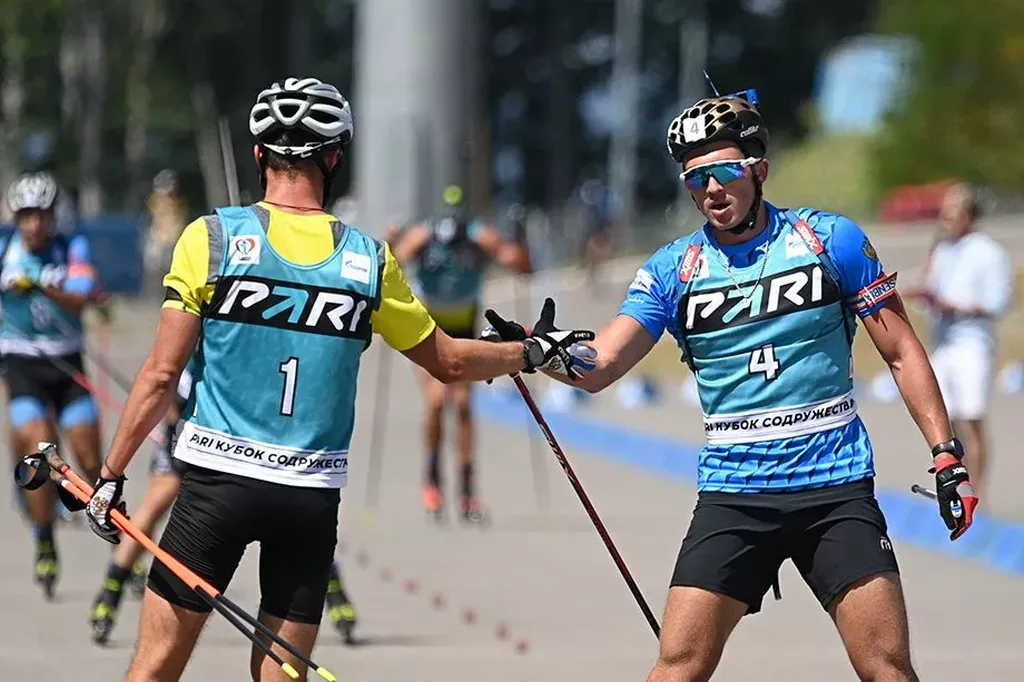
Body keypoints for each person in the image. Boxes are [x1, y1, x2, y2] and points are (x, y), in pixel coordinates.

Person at [78, 76, 592, 681]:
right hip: (309, 497)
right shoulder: (367, 261)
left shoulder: (212, 238)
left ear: (259, 154)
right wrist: (528, 352)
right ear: (334, 158)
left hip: (217, 487)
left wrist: (109, 475)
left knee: (154, 668)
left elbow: (161, 373)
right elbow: (450, 361)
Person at [483, 91, 979, 682]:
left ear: (759, 169)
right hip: (735, 493)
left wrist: (946, 456)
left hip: (834, 488)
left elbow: (901, 352)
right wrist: (538, 351)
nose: (712, 190)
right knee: (677, 667)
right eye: (695, 179)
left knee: (887, 668)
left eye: (724, 172)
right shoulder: (674, 268)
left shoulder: (830, 240)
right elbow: (603, 363)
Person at [391, 184, 532, 522]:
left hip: (464, 328)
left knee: (465, 405)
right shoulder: (425, 234)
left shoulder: (477, 234)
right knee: (437, 402)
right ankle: (432, 479)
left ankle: (467, 490)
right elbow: (392, 262)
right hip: (431, 329)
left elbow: (519, 265)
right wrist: (394, 242)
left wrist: (519, 241)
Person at [1, 171, 104, 600]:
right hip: (22, 364)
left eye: (41, 214)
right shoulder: (5, 249)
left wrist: (43, 285)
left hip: (66, 363)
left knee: (90, 459)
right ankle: (44, 537)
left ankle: (120, 544)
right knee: (42, 450)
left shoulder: (71, 247)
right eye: (27, 215)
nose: (35, 224)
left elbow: (81, 297)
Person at [909, 182, 1012, 499]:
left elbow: (998, 302)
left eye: (950, 215)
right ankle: (958, 488)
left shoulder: (988, 252)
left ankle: (979, 493)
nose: (945, 222)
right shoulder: (942, 250)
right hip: (943, 342)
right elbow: (931, 292)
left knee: (971, 418)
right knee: (947, 423)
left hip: (972, 343)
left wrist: (956, 306)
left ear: (968, 215)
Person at [89, 360, 194, 645]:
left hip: (212, 446)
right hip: (182, 444)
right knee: (149, 511)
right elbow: (163, 382)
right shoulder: (195, 351)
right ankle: (111, 592)